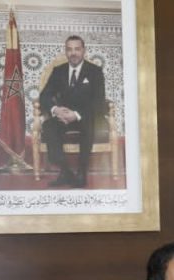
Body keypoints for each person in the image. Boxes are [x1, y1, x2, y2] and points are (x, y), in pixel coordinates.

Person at [38, 35, 106, 188]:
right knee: (49, 126)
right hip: (63, 117)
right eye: (69, 49)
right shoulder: (59, 71)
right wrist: (56, 110)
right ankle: (65, 171)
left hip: (85, 116)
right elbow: (44, 96)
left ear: (83, 51)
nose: (73, 53)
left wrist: (76, 115)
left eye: (77, 49)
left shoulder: (95, 71)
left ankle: (81, 172)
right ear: (65, 51)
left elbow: (99, 101)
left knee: (89, 124)